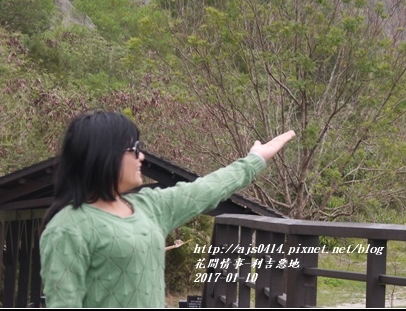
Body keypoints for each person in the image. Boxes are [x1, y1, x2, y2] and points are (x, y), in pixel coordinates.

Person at [39, 110, 295, 308]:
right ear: (103, 154)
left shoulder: (148, 206)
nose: (142, 157)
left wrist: (254, 160)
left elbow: (204, 190)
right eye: (135, 149)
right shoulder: (67, 228)